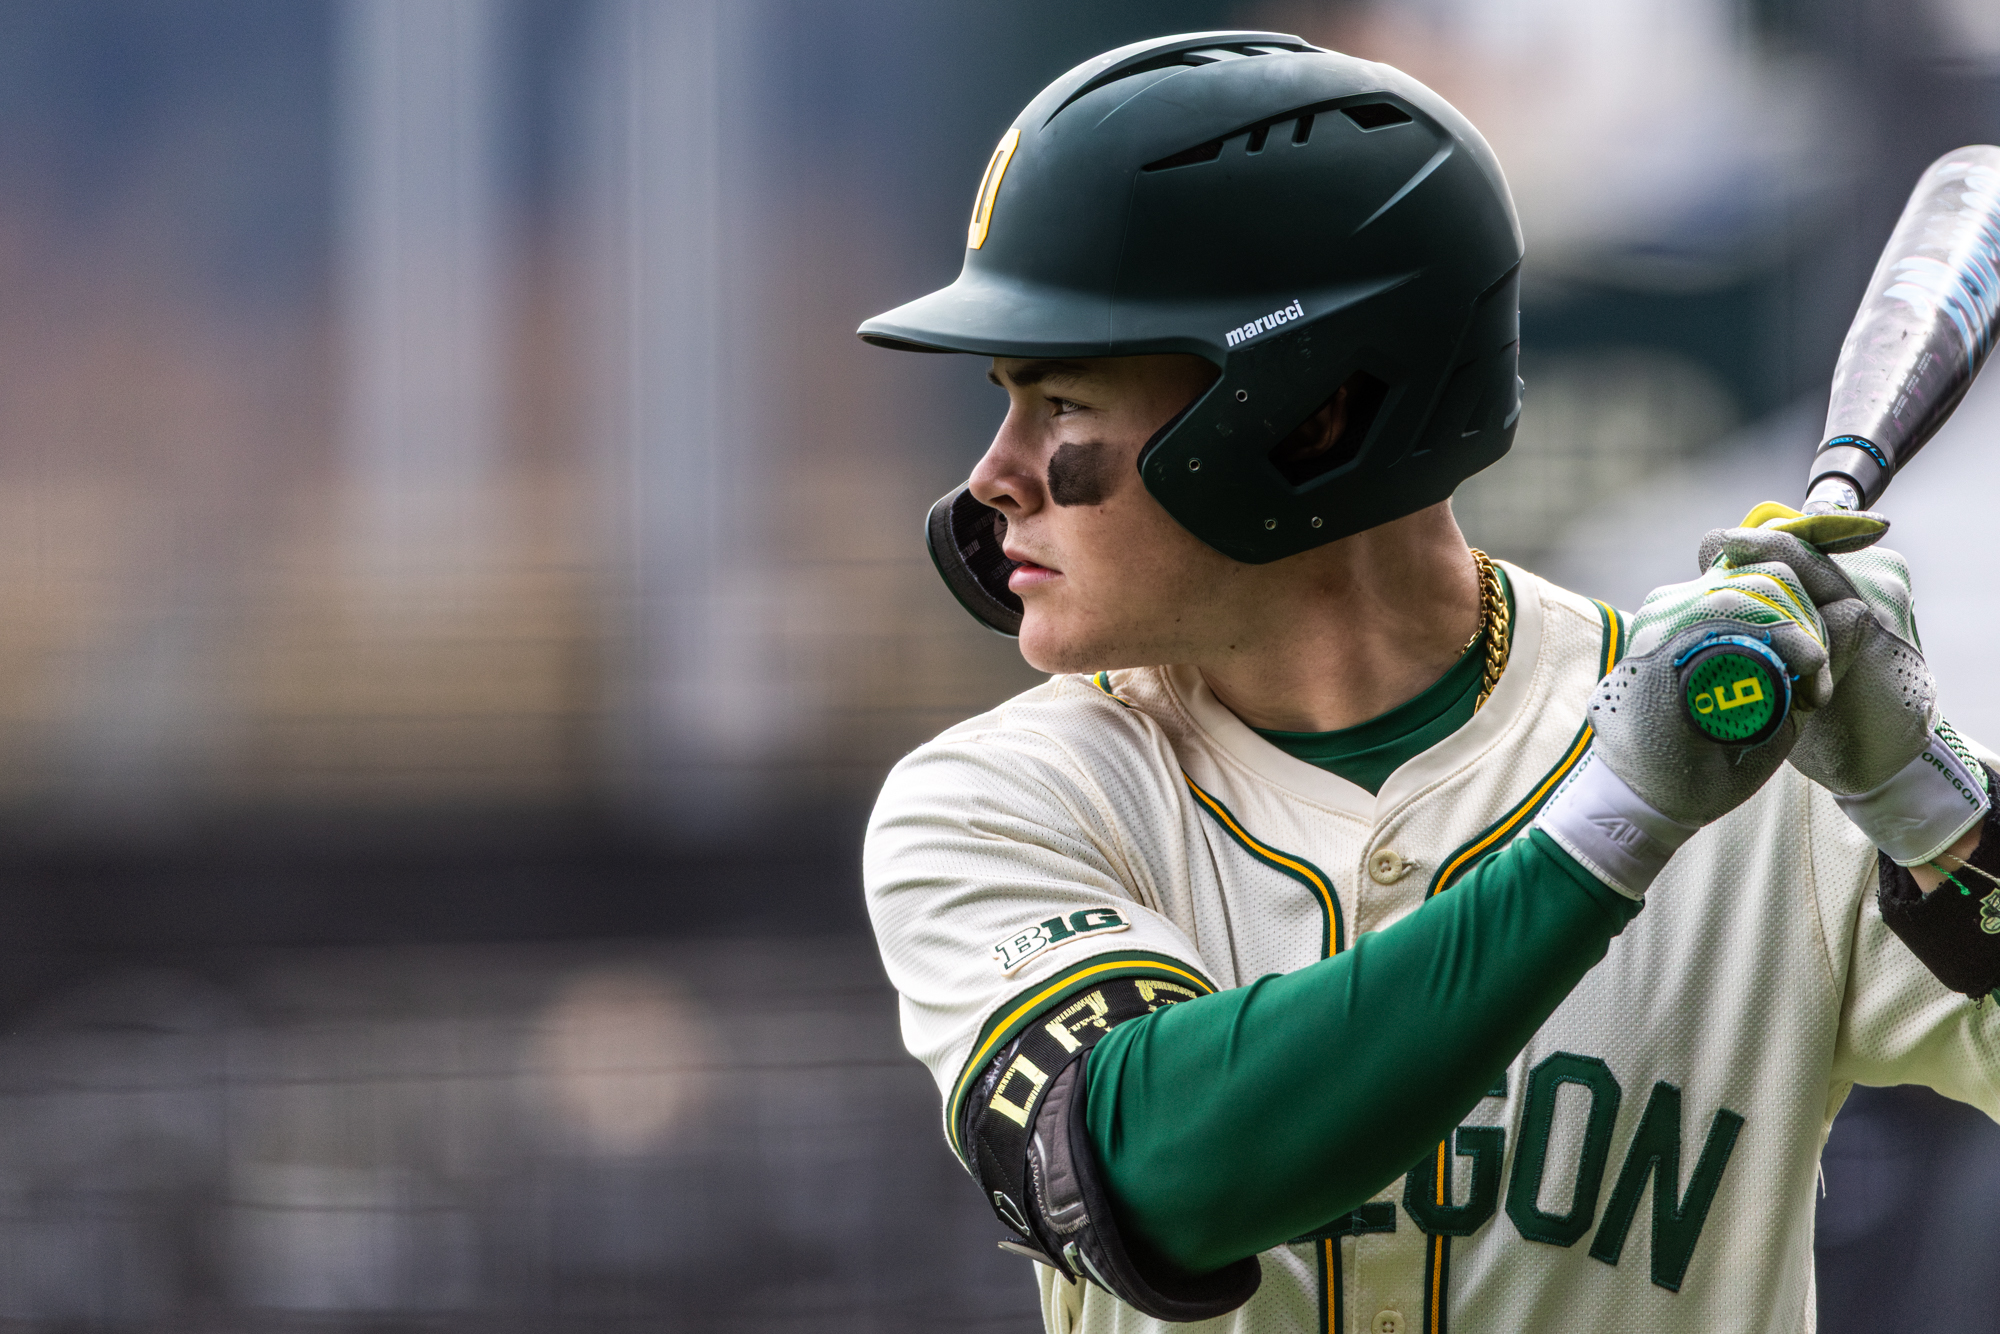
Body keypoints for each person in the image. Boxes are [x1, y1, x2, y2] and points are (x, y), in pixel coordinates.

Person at [860, 32, 2000, 1333]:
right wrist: (1616, 827)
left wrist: (1934, 805)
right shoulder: (1003, 799)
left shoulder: (1758, 763)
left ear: (1314, 414)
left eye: (1060, 404)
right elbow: (1158, 1173)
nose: (994, 478)